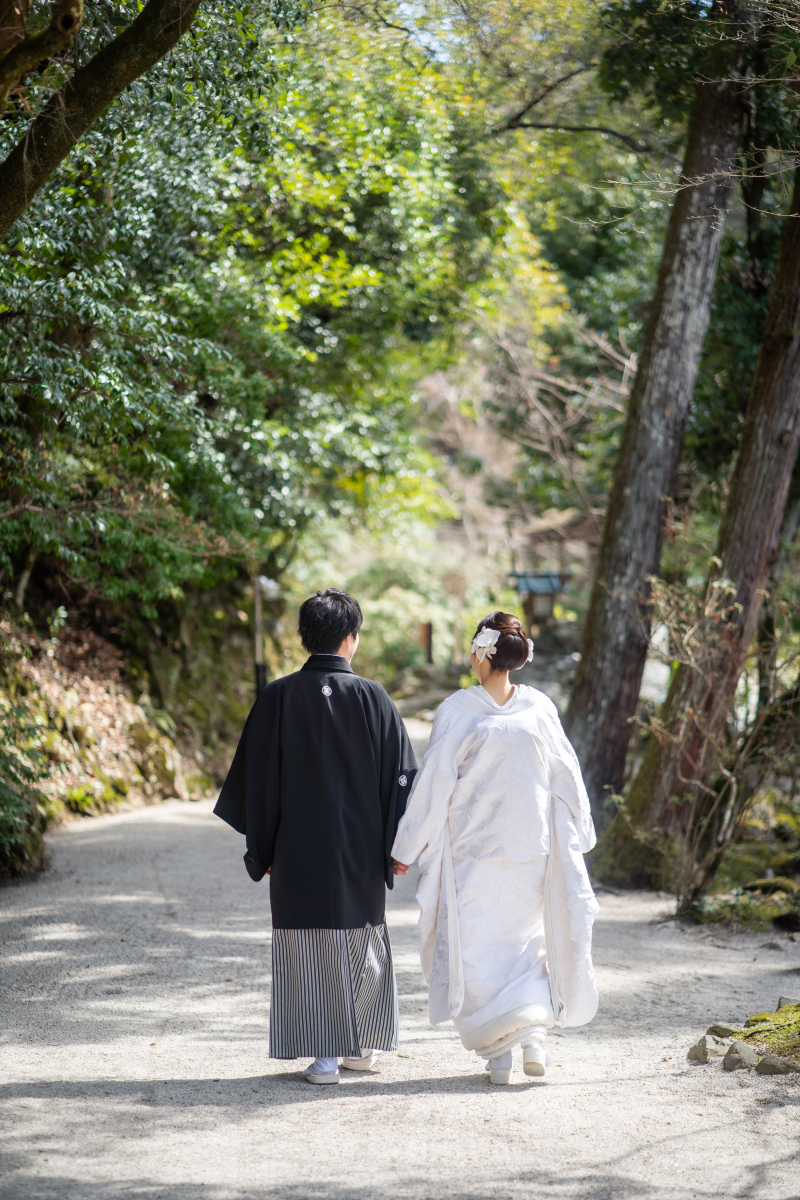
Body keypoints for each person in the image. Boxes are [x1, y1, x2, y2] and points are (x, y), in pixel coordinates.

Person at [214, 589, 417, 1084]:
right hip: (361, 847)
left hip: (296, 847)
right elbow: (403, 776)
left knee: (307, 943)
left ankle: (324, 1058)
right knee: (362, 938)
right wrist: (399, 847)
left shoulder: (278, 697)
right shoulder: (374, 697)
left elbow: (257, 781)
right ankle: (362, 1048)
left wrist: (261, 848)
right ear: (351, 638)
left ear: (306, 638)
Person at [391, 611, 598, 1085]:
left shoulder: (459, 710)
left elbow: (433, 787)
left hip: (475, 851)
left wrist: (406, 846)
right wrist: (581, 834)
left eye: (472, 648)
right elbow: (567, 774)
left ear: (484, 654)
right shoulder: (539, 708)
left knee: (480, 950)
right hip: (530, 848)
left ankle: (500, 1057)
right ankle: (534, 1042)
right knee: (529, 946)